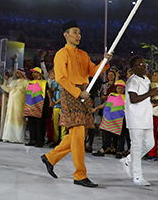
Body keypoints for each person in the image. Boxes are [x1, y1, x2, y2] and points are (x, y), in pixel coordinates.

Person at [40, 21, 111, 188]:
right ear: (66, 35)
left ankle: (51, 157)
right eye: (74, 32)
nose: (78, 35)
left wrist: (105, 62)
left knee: (78, 135)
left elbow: (93, 72)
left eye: (79, 32)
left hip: (84, 94)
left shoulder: (83, 54)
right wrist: (78, 93)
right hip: (72, 94)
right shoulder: (61, 54)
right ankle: (80, 175)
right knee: (78, 134)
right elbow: (61, 79)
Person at [120, 56, 158, 186]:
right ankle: (137, 176)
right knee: (136, 147)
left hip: (146, 117)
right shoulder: (133, 81)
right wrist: (150, 93)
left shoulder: (146, 80)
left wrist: (154, 99)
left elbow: (145, 98)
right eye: (140, 64)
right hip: (135, 118)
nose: (144, 66)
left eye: (144, 63)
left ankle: (128, 160)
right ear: (133, 68)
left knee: (150, 144)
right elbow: (134, 98)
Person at [92, 80, 127, 157]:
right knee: (108, 135)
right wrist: (97, 108)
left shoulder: (126, 97)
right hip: (110, 119)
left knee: (121, 135)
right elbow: (106, 104)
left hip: (121, 119)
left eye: (122, 88)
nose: (120, 90)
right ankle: (103, 149)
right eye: (119, 88)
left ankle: (119, 151)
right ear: (116, 88)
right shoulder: (111, 95)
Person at [24, 67, 52, 147]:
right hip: (31, 106)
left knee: (39, 124)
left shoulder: (44, 83)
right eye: (33, 72)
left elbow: (48, 92)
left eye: (35, 72)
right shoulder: (30, 83)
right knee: (32, 123)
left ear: (39, 74)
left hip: (41, 106)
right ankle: (32, 140)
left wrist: (50, 101)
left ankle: (40, 141)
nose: (33, 74)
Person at [0, 68, 28, 143]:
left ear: (22, 74)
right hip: (11, 105)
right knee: (9, 120)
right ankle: (8, 137)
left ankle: (18, 139)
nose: (17, 74)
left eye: (18, 73)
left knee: (18, 121)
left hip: (20, 105)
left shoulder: (26, 82)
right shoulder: (13, 81)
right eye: (17, 73)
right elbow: (8, 89)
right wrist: (2, 84)